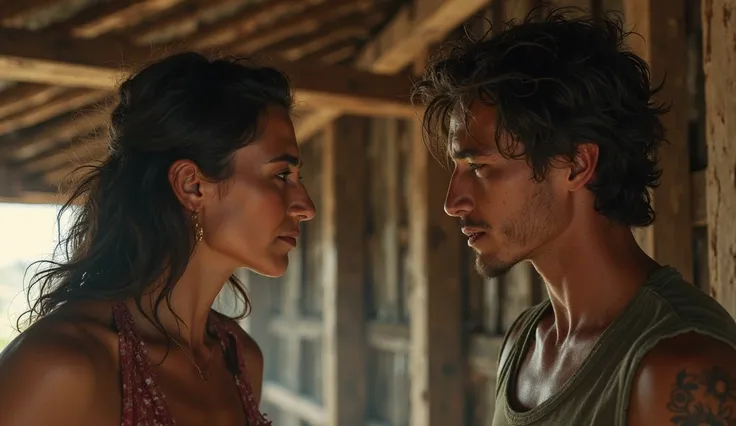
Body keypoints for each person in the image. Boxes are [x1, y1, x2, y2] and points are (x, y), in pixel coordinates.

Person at [412, 7, 736, 426]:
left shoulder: (679, 369)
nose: (452, 202)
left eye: (478, 167)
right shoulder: (522, 344)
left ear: (578, 165)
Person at [0, 52, 315, 426]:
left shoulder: (241, 360)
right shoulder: (63, 367)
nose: (306, 207)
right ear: (192, 186)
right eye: (281, 176)